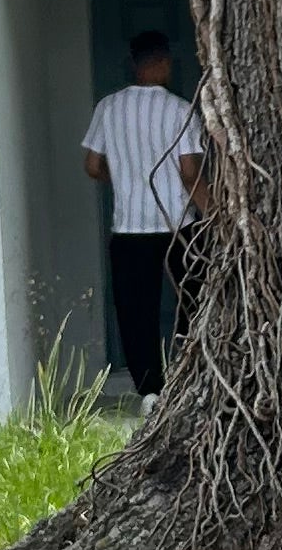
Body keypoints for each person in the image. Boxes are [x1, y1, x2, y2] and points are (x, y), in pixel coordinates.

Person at [81, 31, 202, 399]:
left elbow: (91, 165)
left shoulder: (108, 107)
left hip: (128, 229)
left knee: (135, 311)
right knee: (194, 302)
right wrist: (213, 214)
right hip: (178, 226)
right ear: (165, 63)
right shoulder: (181, 109)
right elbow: (189, 173)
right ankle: (190, 378)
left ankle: (150, 393)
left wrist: (122, 178)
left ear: (134, 64)